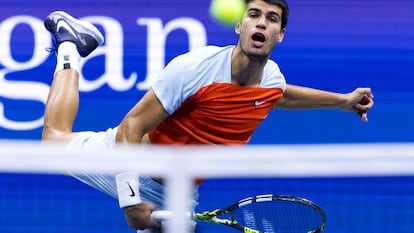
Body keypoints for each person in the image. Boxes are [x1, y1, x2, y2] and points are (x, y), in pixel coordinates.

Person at [42, 0, 374, 232]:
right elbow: (132, 126)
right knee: (53, 141)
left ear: (280, 34)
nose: (261, 22)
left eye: (272, 19)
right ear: (238, 25)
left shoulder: (270, 79)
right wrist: (131, 201)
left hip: (182, 191)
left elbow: (282, 95)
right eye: (254, 14)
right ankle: (71, 45)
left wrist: (343, 101)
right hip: (131, 164)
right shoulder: (195, 69)